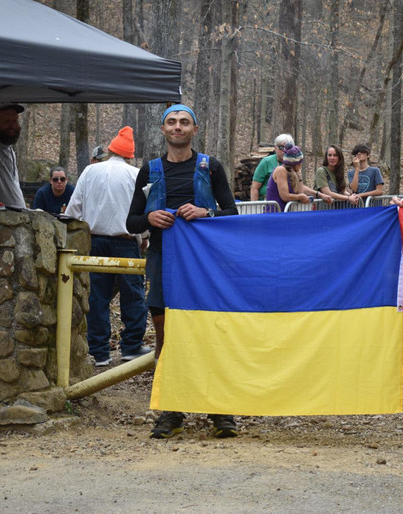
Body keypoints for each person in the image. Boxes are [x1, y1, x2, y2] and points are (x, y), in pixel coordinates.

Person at [126, 104, 240, 440]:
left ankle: (220, 409)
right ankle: (171, 410)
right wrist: (149, 219)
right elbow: (130, 221)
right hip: (163, 261)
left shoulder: (210, 167)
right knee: (167, 338)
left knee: (210, 332)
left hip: (206, 265)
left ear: (195, 129)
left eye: (184, 122)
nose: (178, 127)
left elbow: (231, 213)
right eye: (172, 122)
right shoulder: (149, 170)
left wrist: (206, 212)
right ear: (163, 130)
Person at [65, 126, 150, 367]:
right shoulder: (136, 175)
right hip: (126, 241)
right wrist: (144, 235)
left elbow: (73, 210)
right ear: (130, 154)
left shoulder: (90, 171)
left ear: (111, 149)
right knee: (133, 296)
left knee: (98, 297)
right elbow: (143, 212)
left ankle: (100, 351)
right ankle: (132, 346)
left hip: (96, 240)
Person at [266, 144, 332, 211]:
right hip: (275, 213)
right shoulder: (281, 170)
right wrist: (300, 197)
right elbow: (285, 196)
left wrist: (319, 194)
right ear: (294, 163)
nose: (301, 164)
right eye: (300, 162)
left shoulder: (293, 173)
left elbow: (300, 191)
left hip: (286, 213)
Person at [250, 133, 294, 201]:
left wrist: (315, 193)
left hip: (288, 203)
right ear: (275, 148)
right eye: (281, 147)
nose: (284, 150)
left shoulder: (293, 163)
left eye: (288, 148)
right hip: (267, 204)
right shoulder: (266, 162)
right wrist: (255, 208)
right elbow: (254, 188)